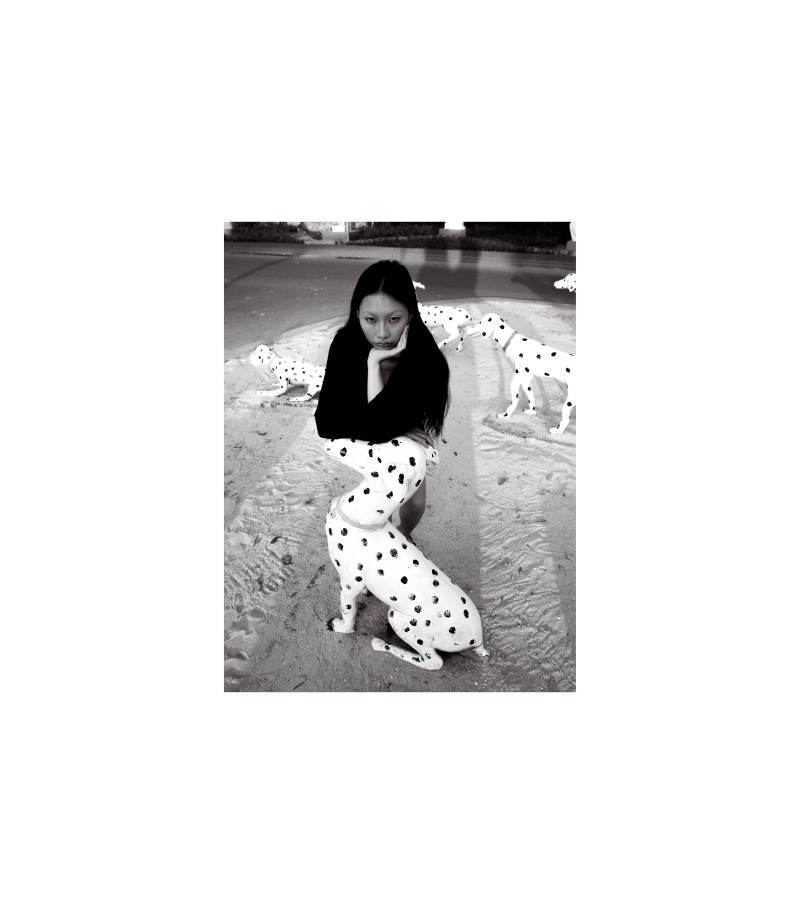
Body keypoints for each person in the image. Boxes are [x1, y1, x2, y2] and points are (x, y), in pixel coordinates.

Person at [314, 260, 450, 540]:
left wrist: (390, 425)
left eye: (394, 319)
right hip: (372, 425)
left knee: (416, 502)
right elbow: (325, 422)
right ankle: (381, 534)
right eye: (370, 320)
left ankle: (404, 534)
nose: (382, 334)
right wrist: (374, 362)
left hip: (395, 420)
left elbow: (383, 418)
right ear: (357, 313)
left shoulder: (424, 360)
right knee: (384, 494)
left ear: (411, 314)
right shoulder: (345, 344)